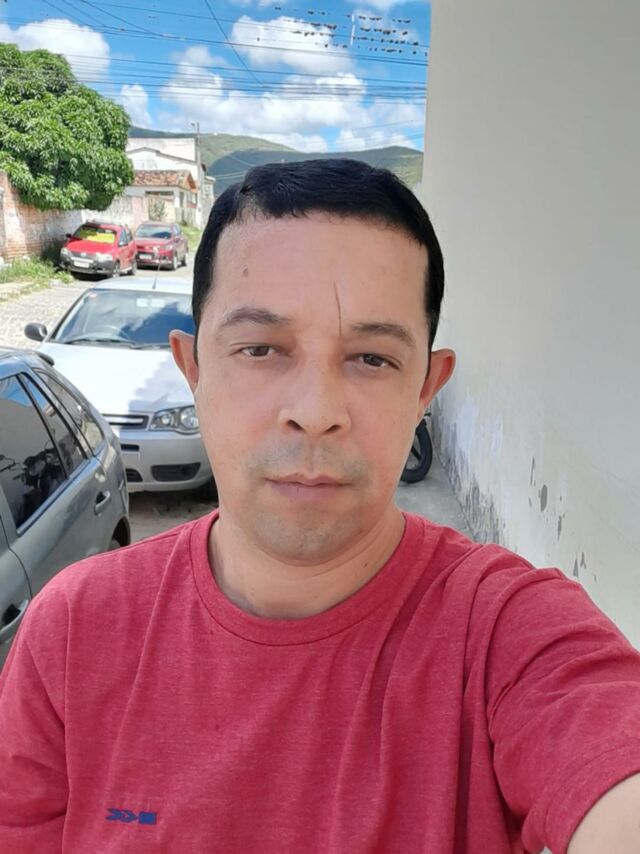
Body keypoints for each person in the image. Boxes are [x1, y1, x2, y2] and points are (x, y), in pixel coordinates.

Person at [0, 159, 639, 854]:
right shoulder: (73, 633)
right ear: (193, 369)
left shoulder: (504, 635)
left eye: (372, 359)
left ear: (426, 389)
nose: (315, 411)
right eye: (261, 349)